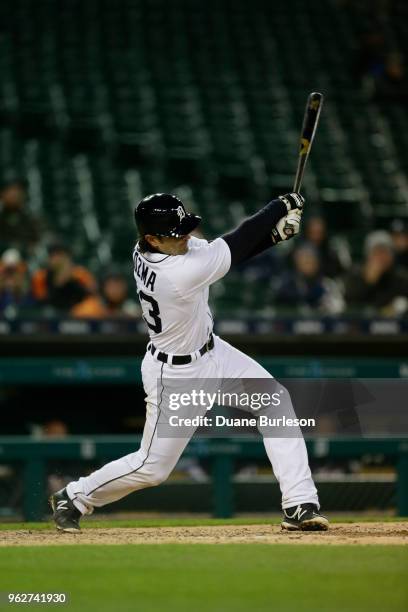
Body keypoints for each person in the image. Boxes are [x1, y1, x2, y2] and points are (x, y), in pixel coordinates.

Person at [50, 192, 329, 532]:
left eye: (183, 229)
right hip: (177, 374)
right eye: (175, 233)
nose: (184, 236)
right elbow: (235, 245)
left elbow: (221, 252)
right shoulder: (175, 274)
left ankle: (299, 504)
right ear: (152, 238)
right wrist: (278, 209)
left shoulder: (154, 247)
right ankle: (74, 496)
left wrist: (273, 236)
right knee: (153, 468)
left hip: (214, 353)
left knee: (274, 400)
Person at [344, 230, 408, 314]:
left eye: (385, 252)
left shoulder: (400, 276)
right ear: (368, 255)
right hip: (361, 324)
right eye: (377, 252)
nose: (381, 257)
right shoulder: (355, 274)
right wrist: (367, 282)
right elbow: (349, 304)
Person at [31, 243, 104, 316]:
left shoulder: (79, 274)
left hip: (77, 314)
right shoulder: (41, 276)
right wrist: (59, 281)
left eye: (61, 256)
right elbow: (40, 300)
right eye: (54, 256)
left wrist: (71, 279)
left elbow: (92, 293)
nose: (58, 260)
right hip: (51, 316)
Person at [276, 244, 344, 314]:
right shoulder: (287, 284)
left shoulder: (327, 284)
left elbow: (338, 310)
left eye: (309, 260)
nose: (306, 263)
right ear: (296, 263)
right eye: (303, 260)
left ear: (317, 263)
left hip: (321, 322)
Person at [0, 179, 42, 253]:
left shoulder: (30, 215)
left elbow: (40, 237)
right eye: (10, 191)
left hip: (27, 256)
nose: (14, 194)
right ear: (2, 194)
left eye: (17, 190)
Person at [0, 248, 35, 316]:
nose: (10, 273)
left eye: (13, 270)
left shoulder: (25, 277)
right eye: (8, 270)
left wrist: (16, 285)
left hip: (23, 313)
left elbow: (24, 295)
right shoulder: (2, 278)